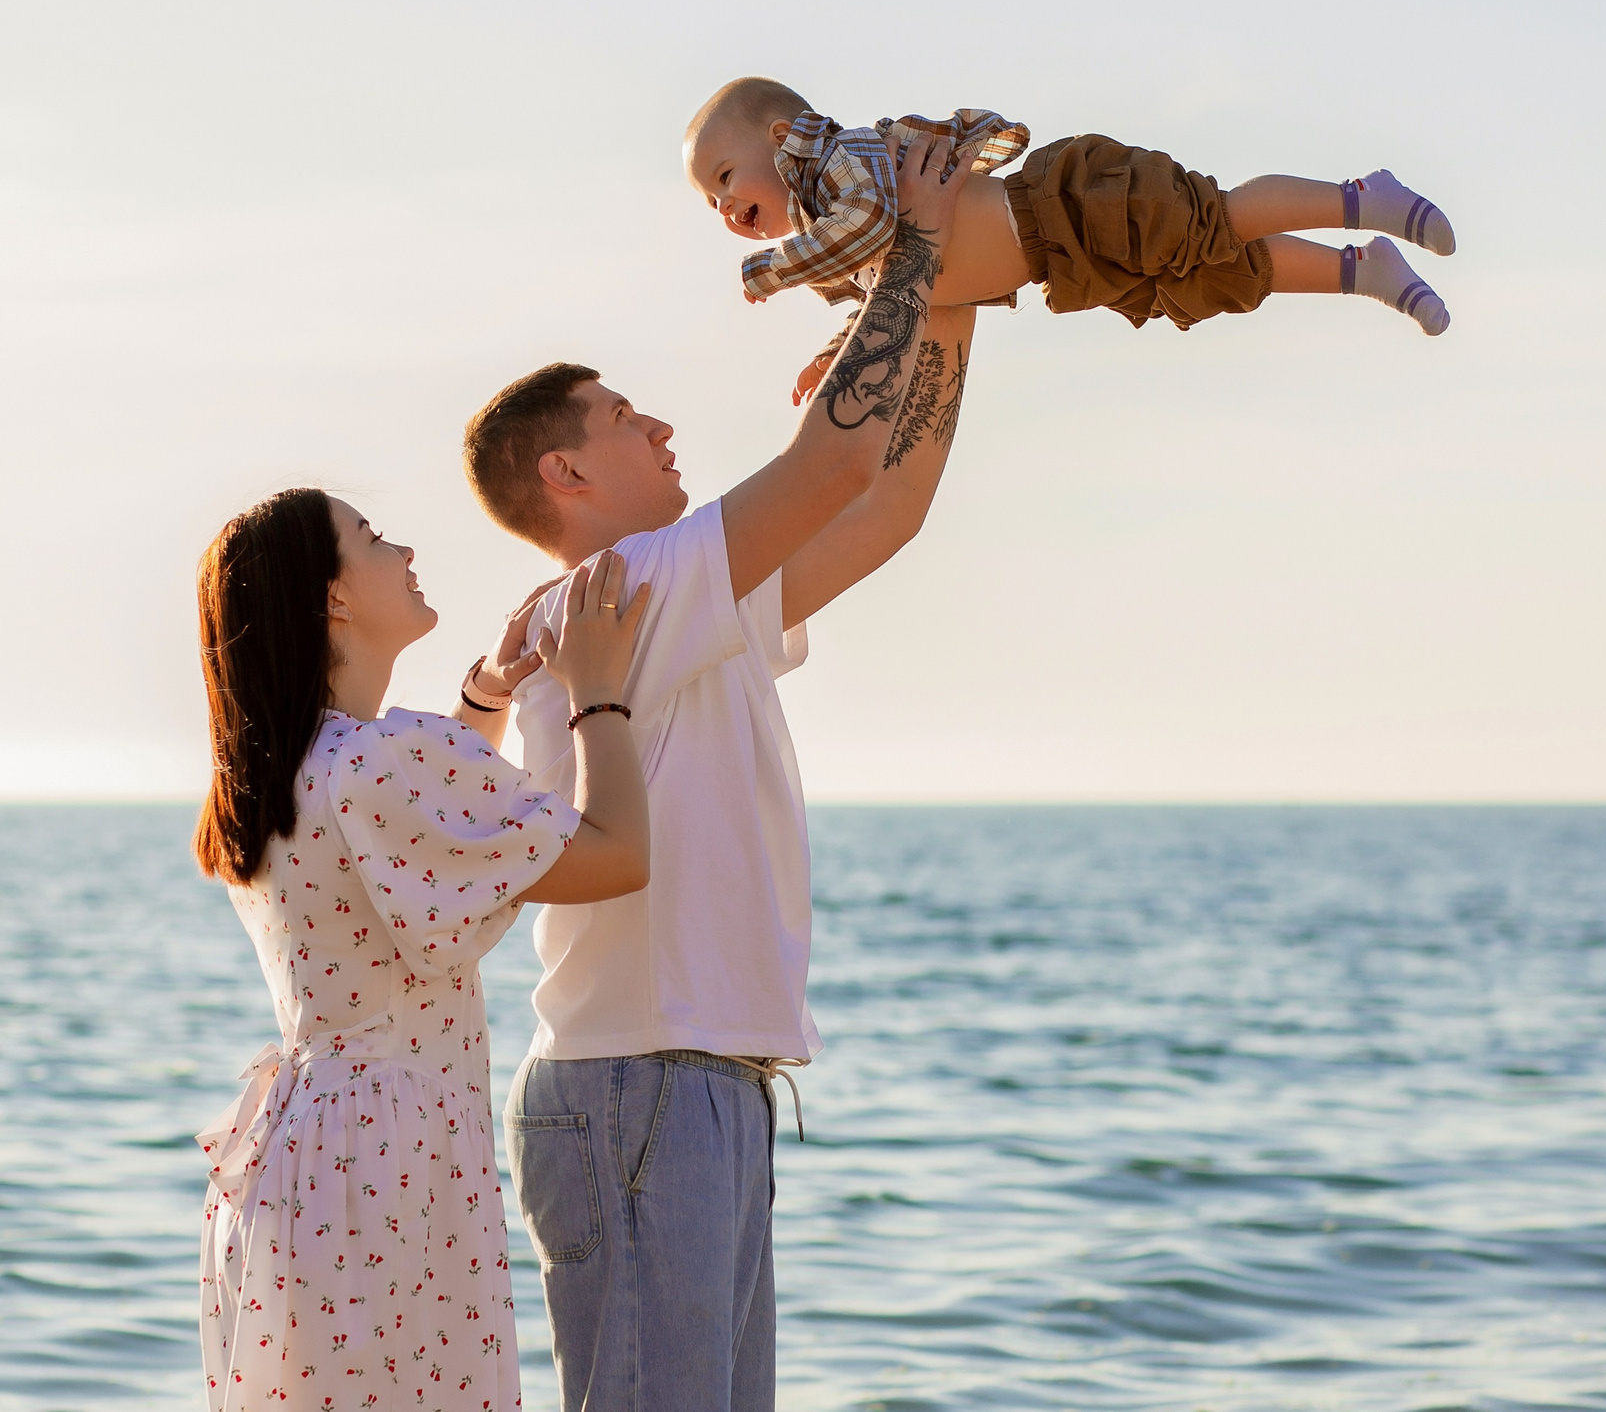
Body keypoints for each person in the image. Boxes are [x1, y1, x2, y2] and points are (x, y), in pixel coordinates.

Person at [453, 133, 979, 1411]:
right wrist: (914, 248)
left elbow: (887, 504)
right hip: (643, 1084)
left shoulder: (678, 594)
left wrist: (957, 290)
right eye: (629, 418)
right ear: (564, 473)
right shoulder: (622, 585)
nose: (665, 423)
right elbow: (835, 464)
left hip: (695, 1084)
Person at [190, 487, 656, 1412]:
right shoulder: (377, 762)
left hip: (308, 1156)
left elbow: (422, 828)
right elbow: (618, 854)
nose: (402, 548)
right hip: (391, 1159)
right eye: (371, 538)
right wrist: (598, 689)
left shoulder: (297, 769)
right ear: (333, 599)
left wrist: (486, 696)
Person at [685, 75, 1458, 402]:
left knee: (1213, 218)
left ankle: (1362, 199)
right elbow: (890, 295)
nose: (722, 204)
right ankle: (1363, 271)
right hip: (1065, 266)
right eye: (708, 201)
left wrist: (774, 269)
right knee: (1217, 274)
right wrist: (839, 351)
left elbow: (879, 228)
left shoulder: (846, 162)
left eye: (724, 176)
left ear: (782, 138)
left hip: (1066, 206)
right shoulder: (837, 257)